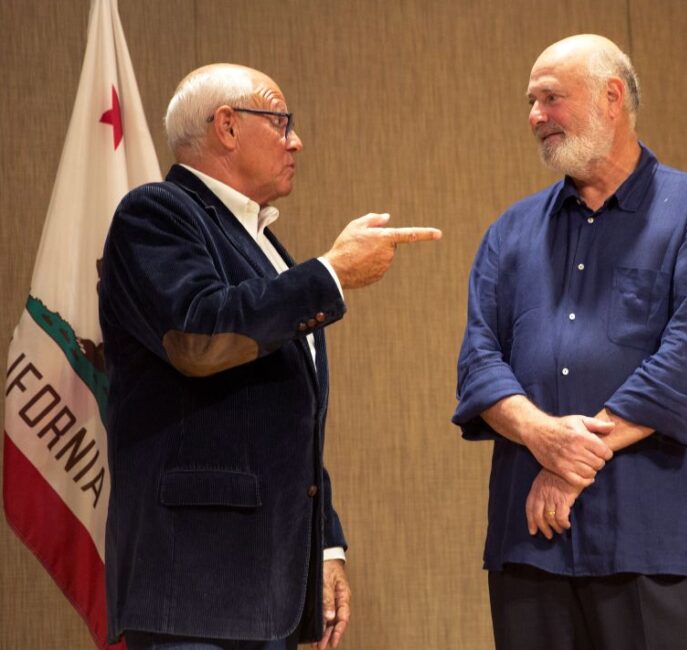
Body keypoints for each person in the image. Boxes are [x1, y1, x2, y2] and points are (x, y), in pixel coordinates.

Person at [99, 63, 440, 650]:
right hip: (195, 586)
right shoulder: (154, 213)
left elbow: (284, 417)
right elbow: (200, 337)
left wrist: (326, 544)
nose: (296, 140)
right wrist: (330, 273)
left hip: (266, 584)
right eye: (281, 121)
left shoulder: (260, 240)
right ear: (227, 127)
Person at [453, 35, 687, 649]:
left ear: (613, 97)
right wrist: (542, 435)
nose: (535, 117)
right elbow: (479, 363)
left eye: (551, 98)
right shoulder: (508, 233)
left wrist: (570, 463)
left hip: (658, 544)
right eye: (531, 102)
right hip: (530, 551)